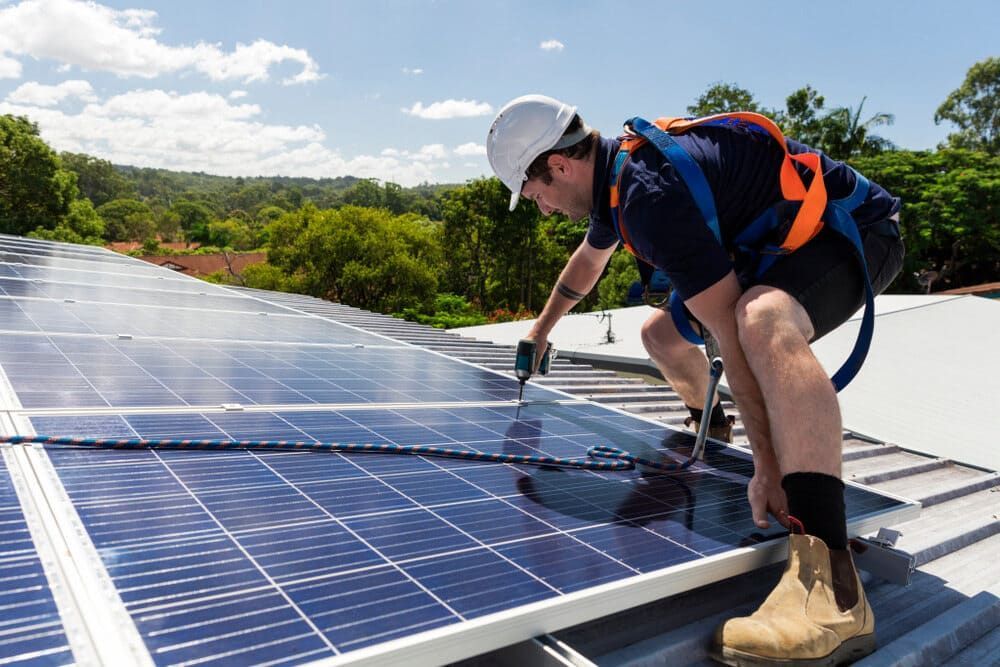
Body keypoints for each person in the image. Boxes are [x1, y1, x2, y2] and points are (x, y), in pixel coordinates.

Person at [486, 94, 904, 666]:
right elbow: (586, 264)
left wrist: (770, 468)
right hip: (776, 250)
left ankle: (831, 587)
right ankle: (711, 428)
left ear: (558, 165)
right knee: (660, 336)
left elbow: (730, 338)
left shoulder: (648, 197)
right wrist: (539, 332)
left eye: (537, 196)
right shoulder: (614, 182)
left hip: (854, 234)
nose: (543, 209)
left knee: (760, 320)